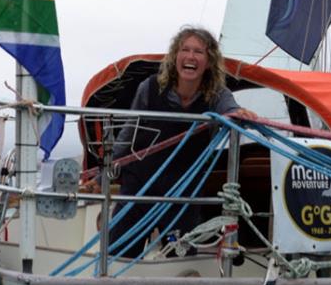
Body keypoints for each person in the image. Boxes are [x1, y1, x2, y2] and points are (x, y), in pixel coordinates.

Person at [107, 26, 252, 258]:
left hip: (182, 197)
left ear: (209, 62)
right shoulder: (150, 88)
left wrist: (239, 114)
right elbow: (127, 134)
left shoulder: (216, 95)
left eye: (198, 52)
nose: (191, 56)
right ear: (176, 57)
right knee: (117, 256)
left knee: (181, 259)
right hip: (139, 191)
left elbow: (231, 110)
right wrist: (104, 173)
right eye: (185, 49)